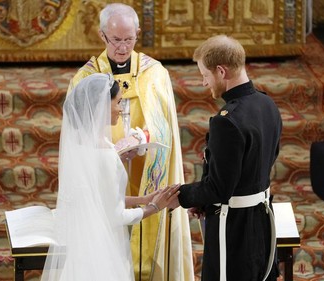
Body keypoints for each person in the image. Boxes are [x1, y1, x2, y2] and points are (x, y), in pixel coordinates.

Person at [66, 3, 193, 281]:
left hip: (146, 167)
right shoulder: (86, 78)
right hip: (103, 166)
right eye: (116, 40)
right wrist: (110, 154)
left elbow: (165, 126)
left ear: (137, 33)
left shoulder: (154, 73)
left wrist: (141, 137)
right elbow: (77, 133)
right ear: (102, 36)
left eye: (129, 39)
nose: (123, 47)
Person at [41, 73, 181, 281]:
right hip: (102, 248)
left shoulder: (81, 146)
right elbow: (114, 217)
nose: (121, 109)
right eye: (118, 102)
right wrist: (154, 208)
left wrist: (142, 199)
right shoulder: (105, 154)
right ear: (101, 105)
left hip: (82, 243)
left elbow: (97, 201)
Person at [169, 35, 282, 281]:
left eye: (205, 75)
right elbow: (267, 159)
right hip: (262, 221)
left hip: (234, 229)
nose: (203, 82)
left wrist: (180, 196)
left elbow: (219, 188)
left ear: (221, 71)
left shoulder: (227, 121)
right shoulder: (267, 104)